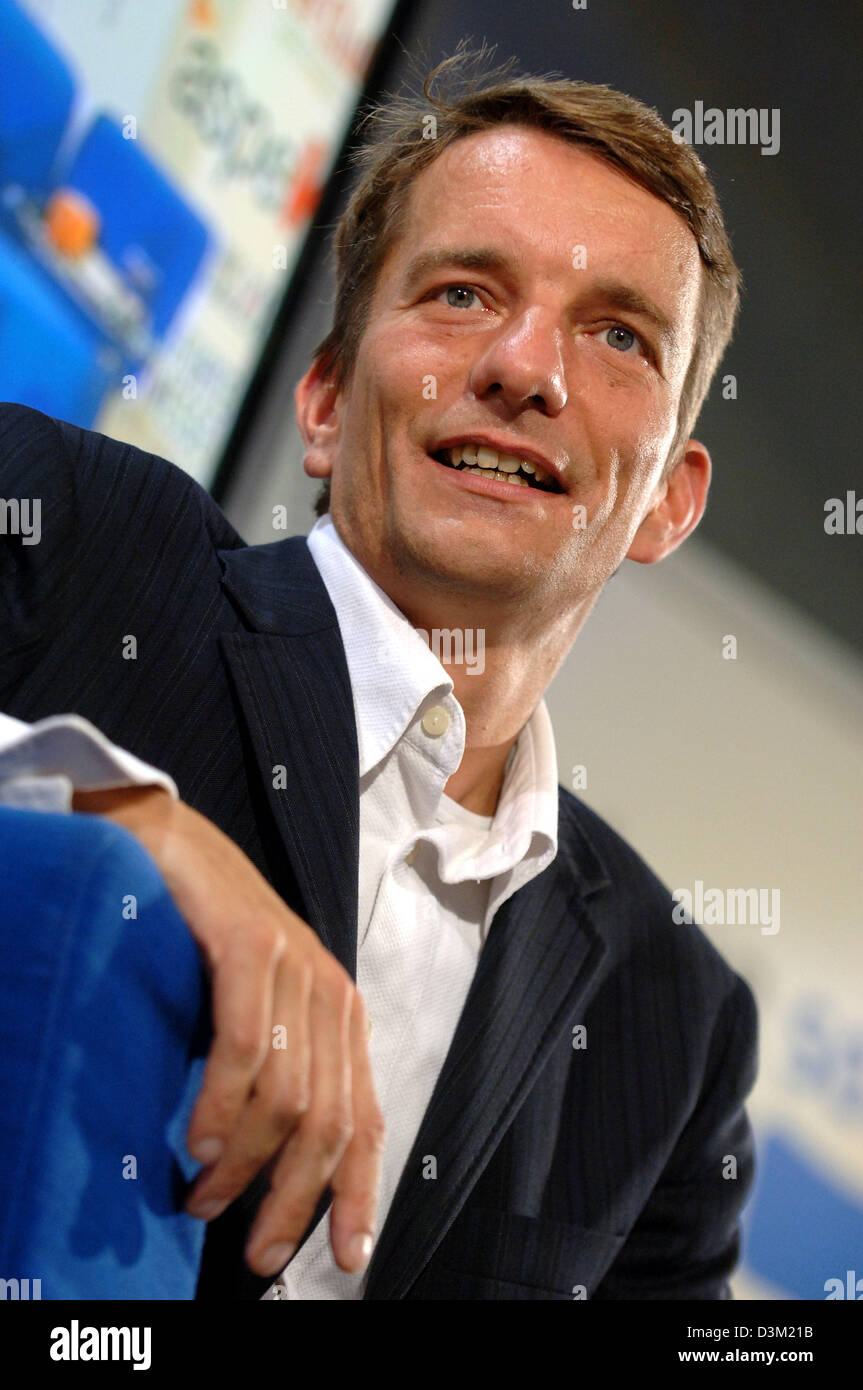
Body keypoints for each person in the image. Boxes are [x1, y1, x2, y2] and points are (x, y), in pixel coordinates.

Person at [0, 48, 758, 1300]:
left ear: (666, 503)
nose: (525, 369)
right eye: (463, 294)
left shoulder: (671, 1026)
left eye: (615, 333)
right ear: (324, 396)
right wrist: (102, 805)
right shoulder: (80, 543)